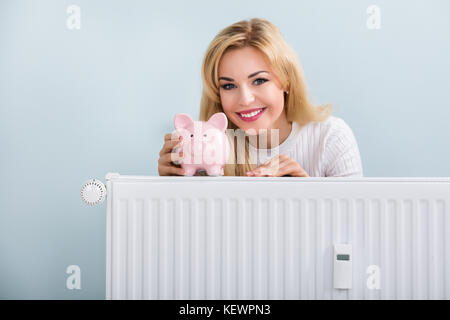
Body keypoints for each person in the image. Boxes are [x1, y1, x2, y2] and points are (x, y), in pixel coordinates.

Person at [158, 18, 363, 177]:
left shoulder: (330, 138)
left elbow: (357, 227)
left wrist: (305, 193)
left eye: (259, 81)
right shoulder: (207, 149)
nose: (245, 99)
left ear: (286, 81)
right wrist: (173, 187)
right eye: (229, 85)